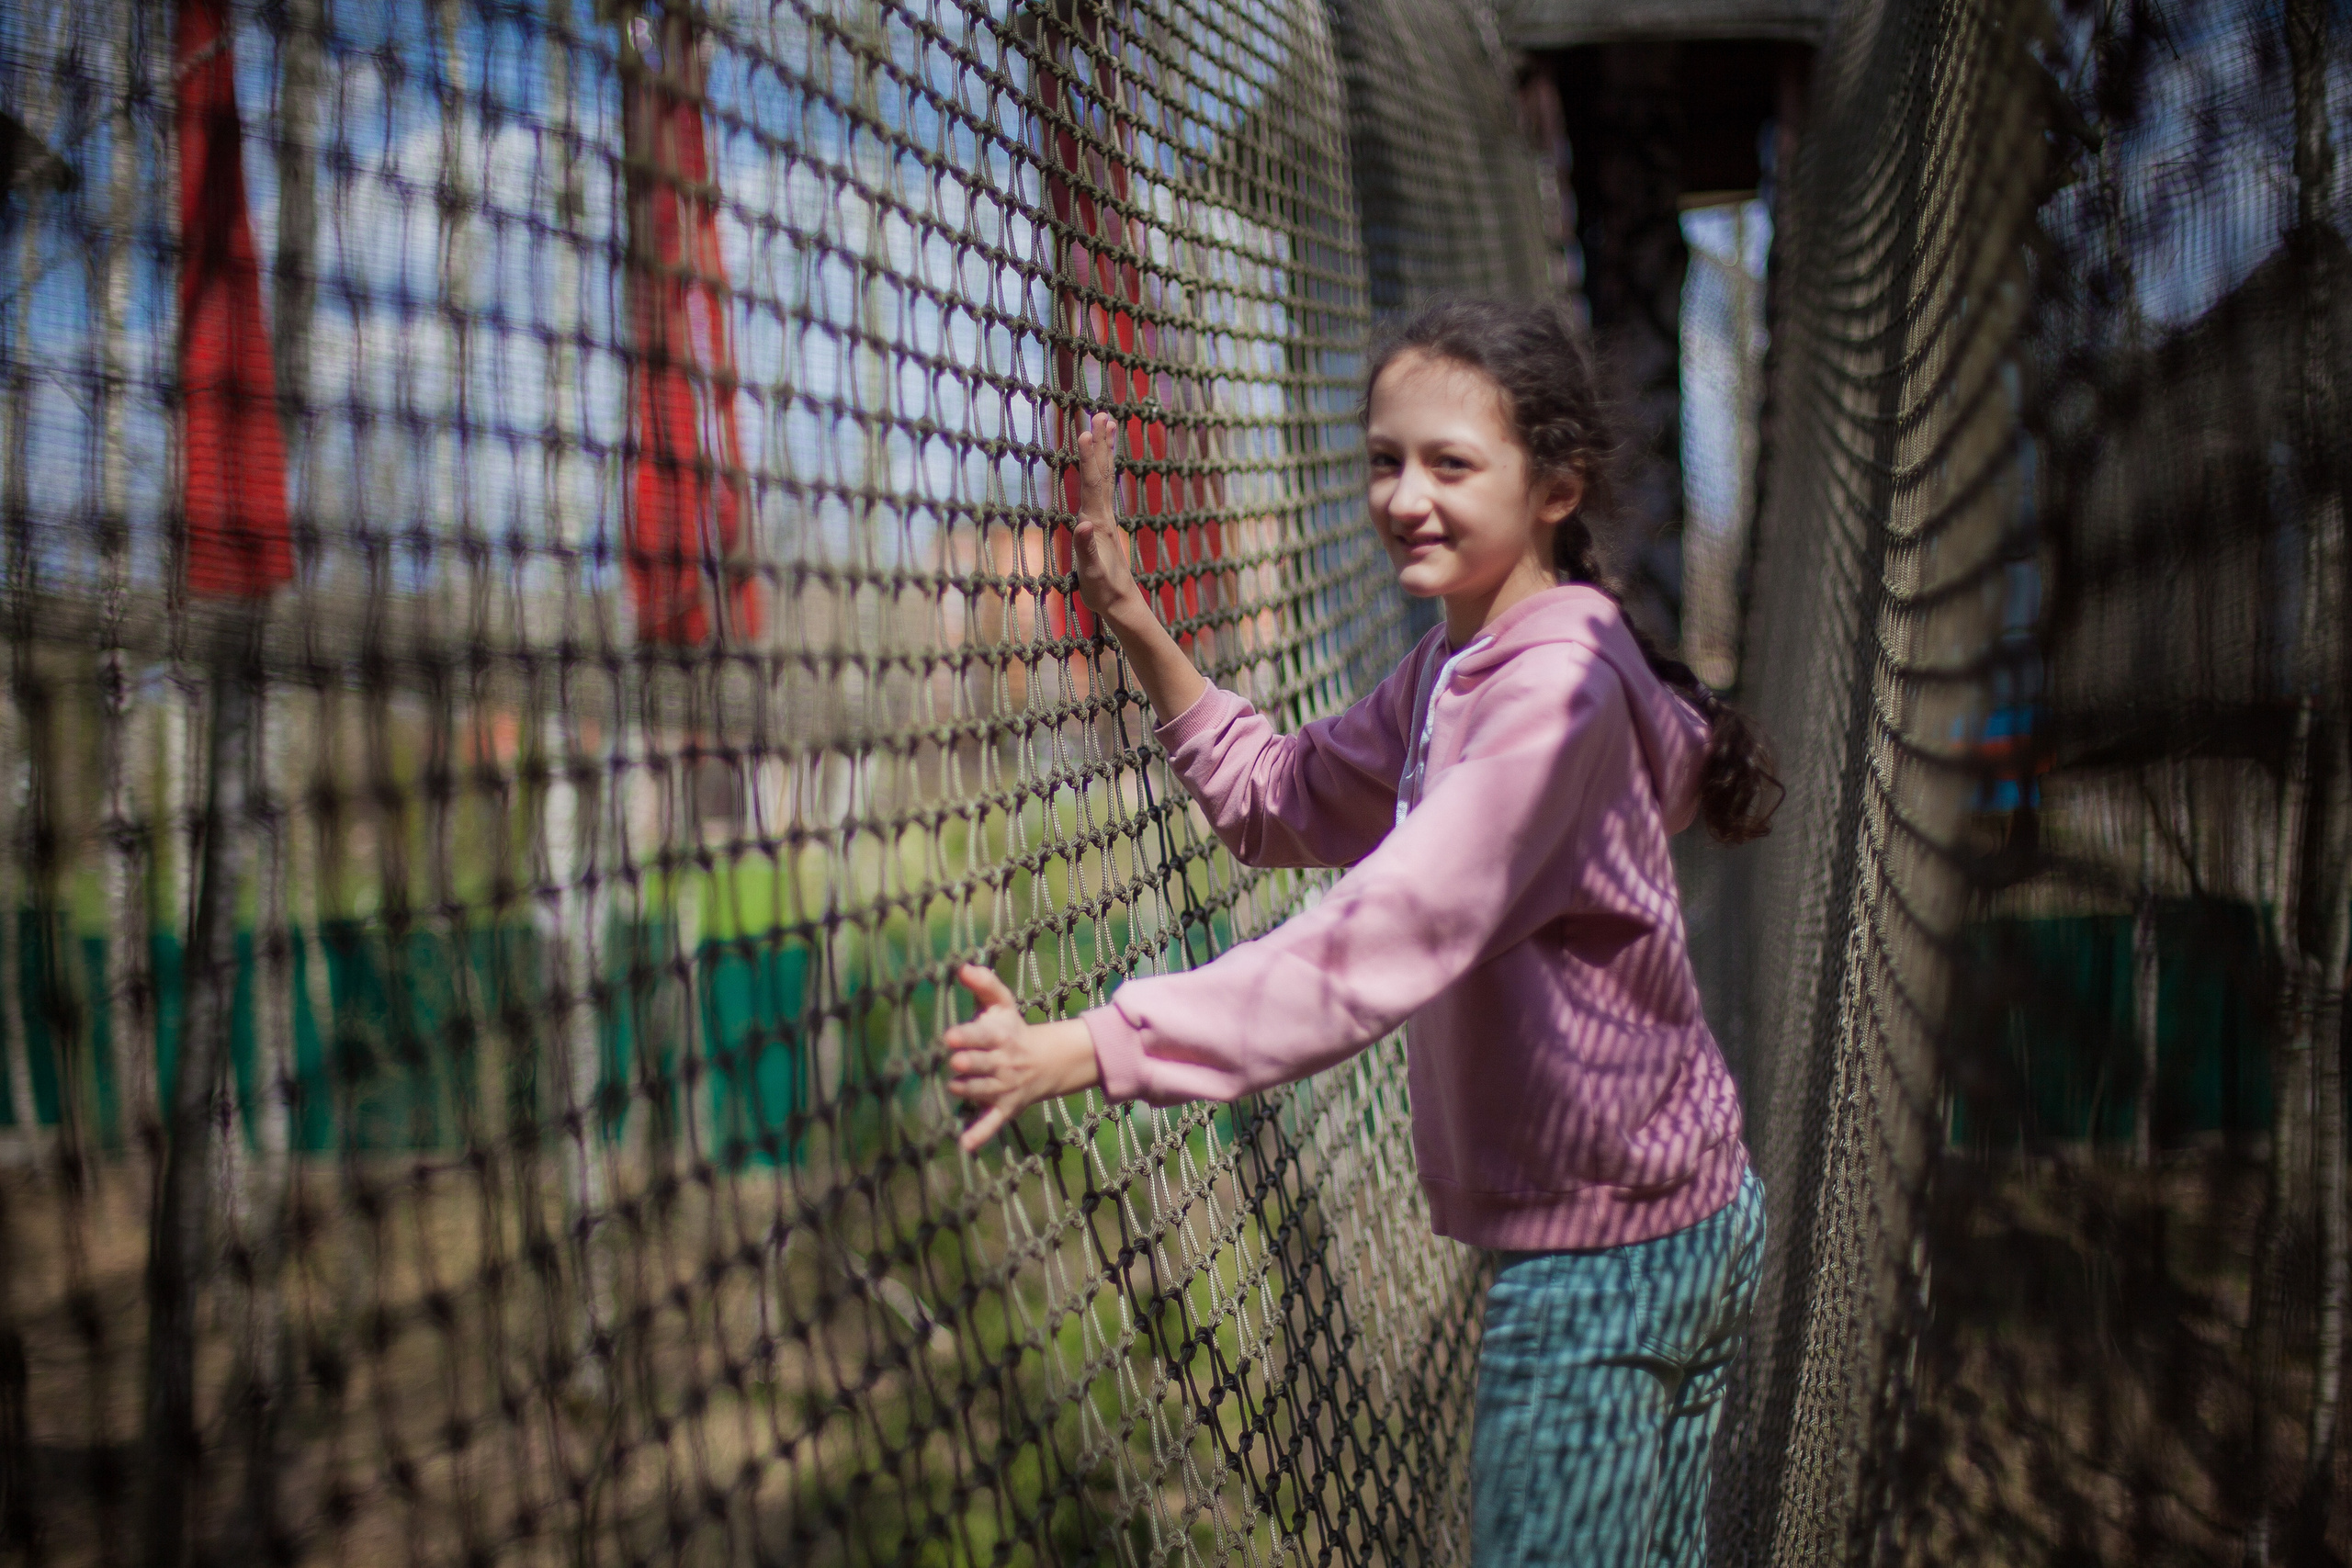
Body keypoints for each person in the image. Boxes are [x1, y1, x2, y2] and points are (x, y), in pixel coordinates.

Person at [941, 299, 1781, 1567]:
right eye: (1386, 460)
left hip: (1608, 1261)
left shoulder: (1553, 701)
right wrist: (1126, 615)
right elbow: (1278, 797)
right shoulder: (1461, 666)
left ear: (1557, 485)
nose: (1405, 497)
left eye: (1451, 464)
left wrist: (1091, 1047)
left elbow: (1380, 937)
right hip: (1669, 1213)